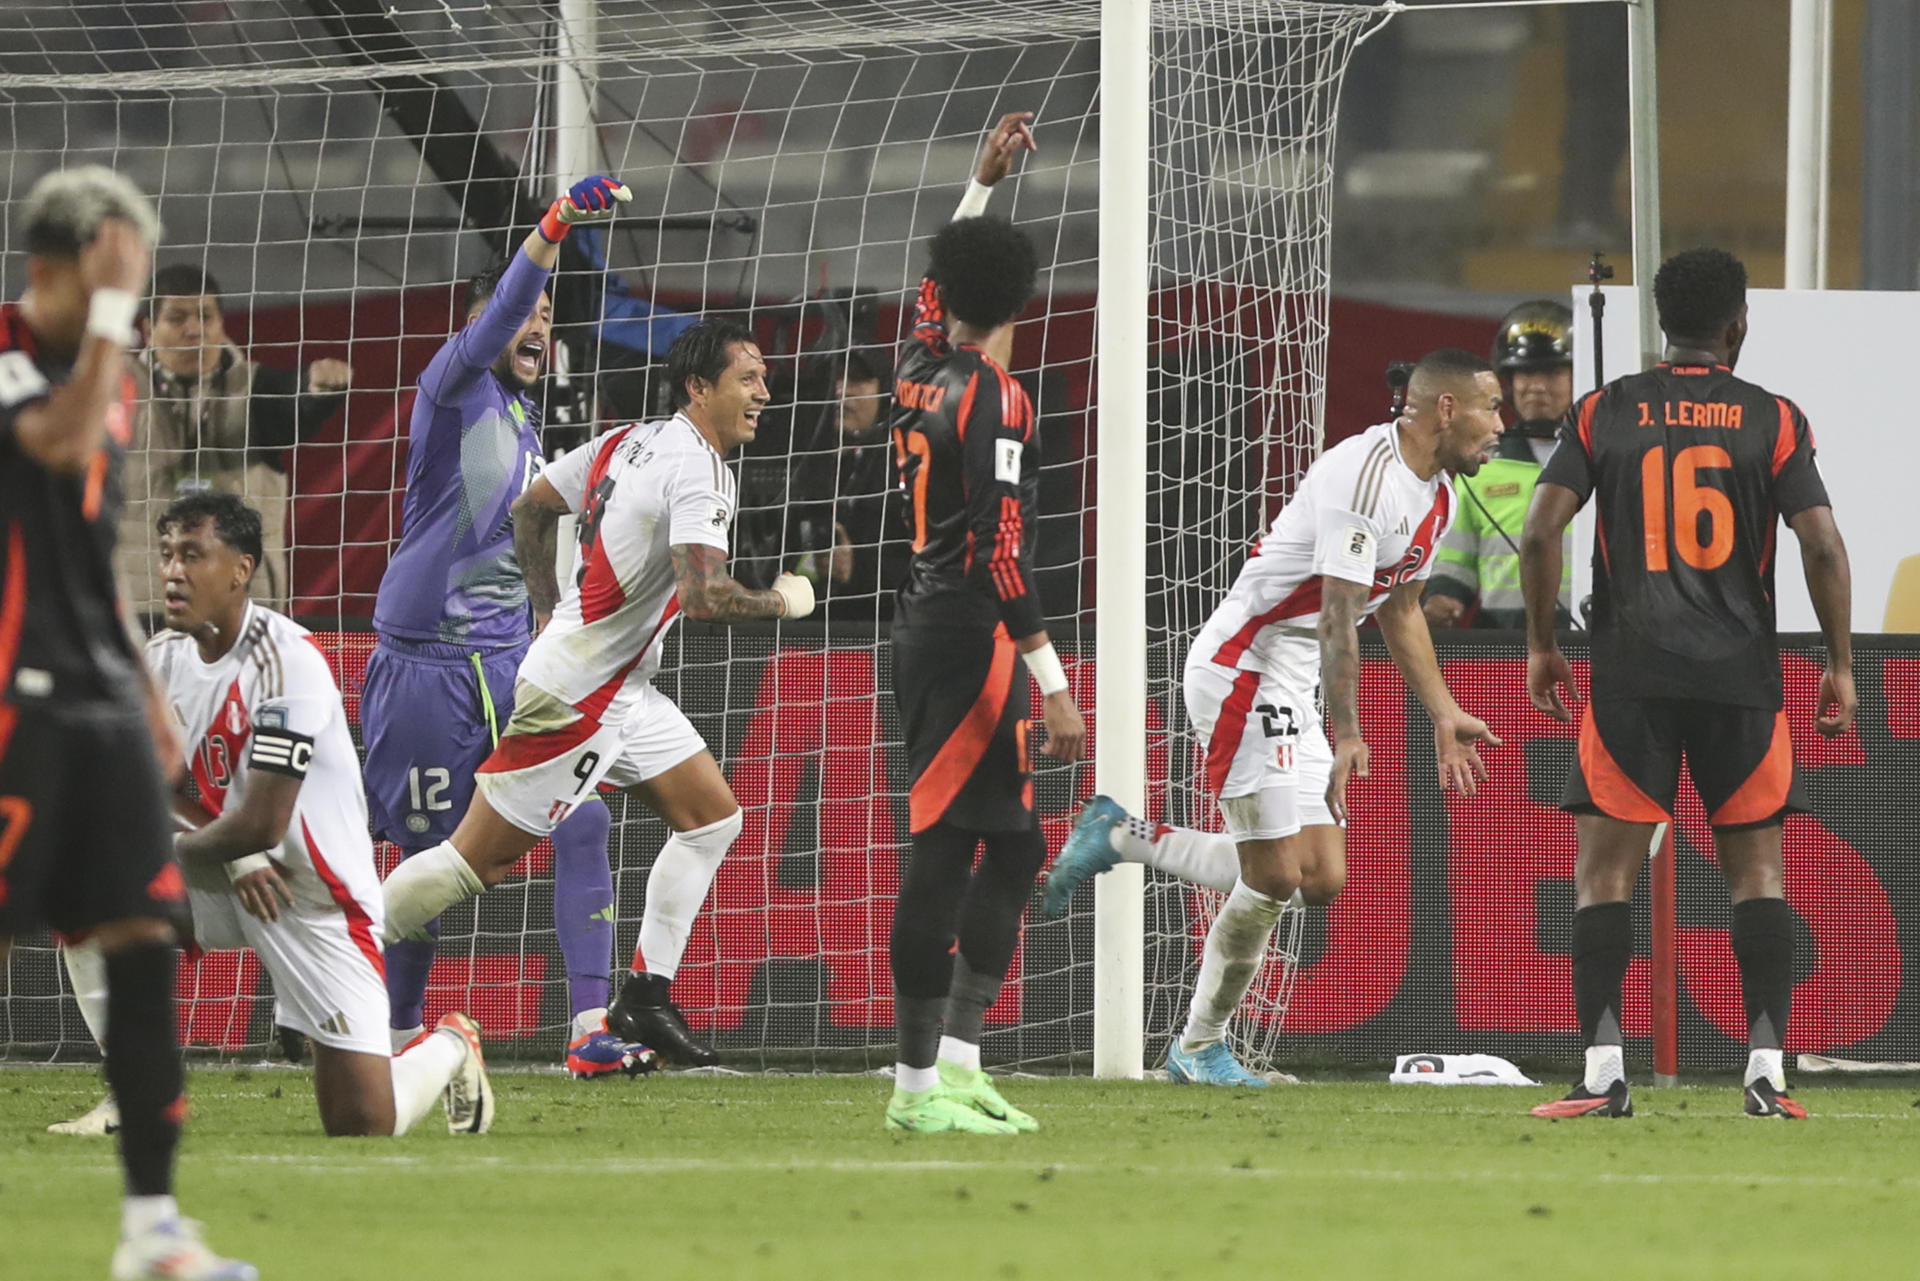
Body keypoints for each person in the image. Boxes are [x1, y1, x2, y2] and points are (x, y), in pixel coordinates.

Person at [1045, 349, 1505, 1086]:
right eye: (1490, 408)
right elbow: (1334, 617)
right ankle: (1198, 1046)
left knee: (1318, 875)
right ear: (1445, 409)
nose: (1499, 427)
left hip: (1292, 679)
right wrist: (1349, 729)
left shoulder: (1441, 493)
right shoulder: (1367, 477)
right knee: (1272, 878)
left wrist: (1444, 711)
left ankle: (1122, 834)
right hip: (1243, 667)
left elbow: (1404, 609)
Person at [375, 317, 817, 1068]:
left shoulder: (626, 439)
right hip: (579, 696)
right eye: (748, 378)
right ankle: (320, 949)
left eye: (764, 377)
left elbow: (534, 508)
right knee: (468, 865)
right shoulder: (702, 470)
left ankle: (642, 994)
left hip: (620, 689)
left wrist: (549, 607)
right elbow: (704, 595)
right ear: (699, 387)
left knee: (713, 818)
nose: (763, 392)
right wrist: (782, 600)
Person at [1520, 248, 1855, 1119]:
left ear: (1663, 323)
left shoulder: (1604, 411)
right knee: (1758, 874)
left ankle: (1601, 1074)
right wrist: (1841, 661)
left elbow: (1540, 531)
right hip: (1741, 676)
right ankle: (1768, 1071)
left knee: (1603, 876)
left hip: (1630, 672)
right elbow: (1821, 543)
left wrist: (1541, 644)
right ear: (1737, 322)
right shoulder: (1773, 418)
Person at [56, 493, 493, 1141]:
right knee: (82, 875)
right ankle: (133, 1091)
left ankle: (453, 1042)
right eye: (168, 553)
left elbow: (262, 821)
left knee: (362, 1121)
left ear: (241, 569)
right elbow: (160, 786)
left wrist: (201, 846)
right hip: (228, 875)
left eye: (193, 555)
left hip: (313, 896)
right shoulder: (165, 660)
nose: (173, 571)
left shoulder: (287, 662)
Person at [0, 167, 253, 1281]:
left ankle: (153, 1233)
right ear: (58, 268)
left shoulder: (106, 376)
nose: (131, 297)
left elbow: (90, 537)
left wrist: (143, 692)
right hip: (11, 698)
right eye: (116, 274)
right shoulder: (16, 356)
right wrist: (110, 319)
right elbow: (53, 445)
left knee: (143, 949)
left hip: (96, 701)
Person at [359, 175, 654, 1079]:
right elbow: (501, 315)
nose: (536, 327)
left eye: (547, 319)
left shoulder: (527, 421)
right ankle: (396, 1036)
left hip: (509, 667)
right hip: (423, 669)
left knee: (583, 821)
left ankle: (588, 1027)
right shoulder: (448, 387)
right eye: (523, 314)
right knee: (426, 863)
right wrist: (555, 227)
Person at [883, 112, 1088, 1134]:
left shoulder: (919, 366)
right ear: (1025, 302)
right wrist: (1055, 685)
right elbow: (1005, 553)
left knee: (1009, 849)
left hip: (935, 626)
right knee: (947, 848)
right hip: (971, 637)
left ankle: (955, 1067)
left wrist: (981, 183)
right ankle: (917, 1092)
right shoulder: (999, 398)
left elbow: (929, 299)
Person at [119, 264, 353, 617]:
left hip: (240, 609)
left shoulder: (256, 386)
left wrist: (316, 392)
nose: (194, 329)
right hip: (140, 607)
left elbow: (292, 406)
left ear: (221, 323)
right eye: (177, 318)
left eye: (205, 317)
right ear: (148, 329)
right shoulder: (118, 390)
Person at [1425, 300, 1575, 630]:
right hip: (1503, 647)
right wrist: (1441, 598)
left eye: (1551, 372)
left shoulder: (1602, 459)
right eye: (1525, 372)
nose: (1536, 385)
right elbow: (1454, 557)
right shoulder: (1480, 465)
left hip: (1592, 644)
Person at [785, 350, 909, 616]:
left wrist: (858, 568)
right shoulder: (812, 462)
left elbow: (927, 565)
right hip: (812, 624)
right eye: (838, 380)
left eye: (856, 381)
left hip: (878, 628)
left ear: (886, 392)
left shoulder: (905, 465)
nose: (842, 390)